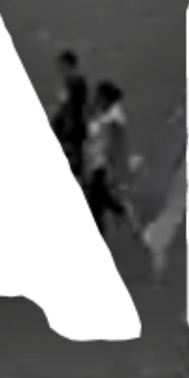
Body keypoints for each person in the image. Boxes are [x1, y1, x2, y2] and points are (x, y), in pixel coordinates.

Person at [83, 82, 135, 244]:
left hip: (103, 166)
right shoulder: (103, 113)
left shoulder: (113, 118)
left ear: (106, 98)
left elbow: (109, 145)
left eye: (99, 95)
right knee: (99, 198)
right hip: (96, 163)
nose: (95, 98)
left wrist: (111, 171)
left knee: (95, 203)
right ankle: (119, 209)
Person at [48, 51, 92, 184]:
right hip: (65, 130)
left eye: (63, 66)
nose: (61, 70)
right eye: (60, 67)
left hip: (74, 132)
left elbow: (76, 110)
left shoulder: (79, 84)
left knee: (75, 164)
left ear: (71, 66)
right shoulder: (67, 83)